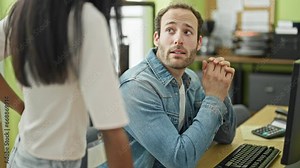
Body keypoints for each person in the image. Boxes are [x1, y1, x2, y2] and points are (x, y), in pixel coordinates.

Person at [0, 0, 133, 167]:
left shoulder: (23, 12)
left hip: (25, 154)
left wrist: (20, 106)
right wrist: (19, 105)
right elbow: (112, 131)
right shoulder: (86, 19)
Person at [117, 3, 236, 168]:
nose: (178, 39)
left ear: (198, 42)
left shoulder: (191, 80)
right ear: (157, 38)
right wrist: (214, 98)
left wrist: (220, 90)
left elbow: (226, 137)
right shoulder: (136, 87)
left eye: (187, 32)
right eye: (170, 30)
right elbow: (179, 161)